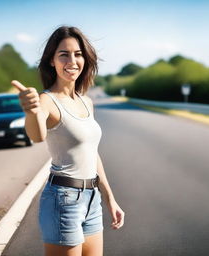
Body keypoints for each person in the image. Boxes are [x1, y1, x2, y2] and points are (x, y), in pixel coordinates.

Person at [11, 26, 125, 256]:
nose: (72, 60)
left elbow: (92, 153)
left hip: (91, 200)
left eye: (78, 54)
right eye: (64, 54)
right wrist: (31, 111)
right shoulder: (47, 100)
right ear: (52, 61)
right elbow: (37, 135)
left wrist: (109, 198)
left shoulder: (86, 102)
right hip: (63, 201)